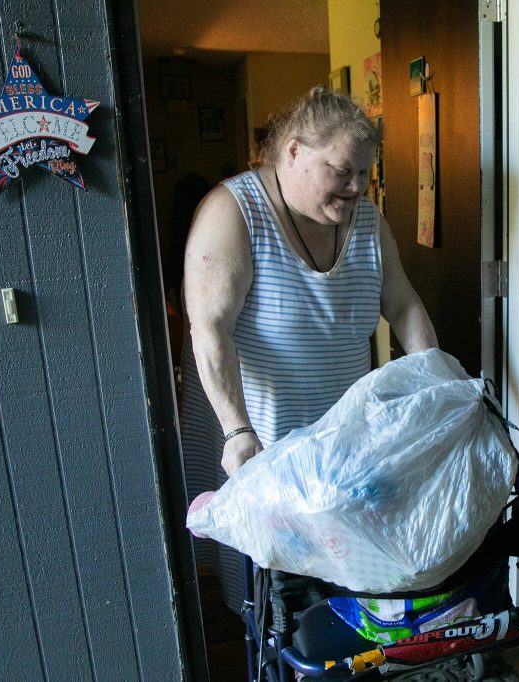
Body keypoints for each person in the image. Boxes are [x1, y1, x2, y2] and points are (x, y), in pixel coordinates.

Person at [179, 86, 437, 611]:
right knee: (284, 614)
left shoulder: (366, 220)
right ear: (293, 151)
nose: (357, 187)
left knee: (360, 598)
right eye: (343, 172)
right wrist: (236, 430)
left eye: (365, 174)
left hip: (352, 454)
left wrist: (438, 383)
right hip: (271, 459)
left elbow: (404, 304)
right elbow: (210, 331)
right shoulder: (234, 212)